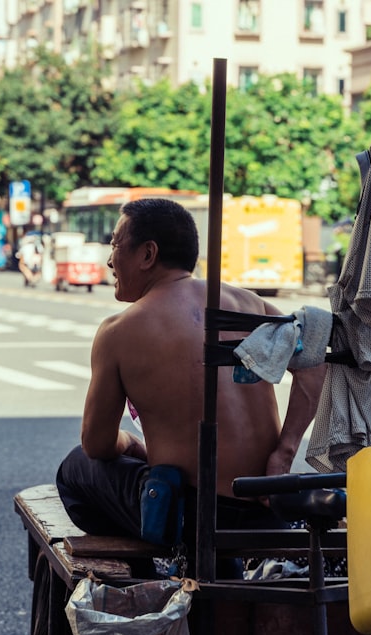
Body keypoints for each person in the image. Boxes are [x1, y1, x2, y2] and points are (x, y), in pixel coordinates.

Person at [55, 198, 326, 557]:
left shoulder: (119, 331)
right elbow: (313, 363)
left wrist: (131, 444)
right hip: (265, 504)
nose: (109, 260)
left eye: (116, 246)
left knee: (76, 467)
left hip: (191, 517)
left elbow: (97, 445)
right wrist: (284, 451)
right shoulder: (248, 303)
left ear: (148, 254)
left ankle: (157, 557)